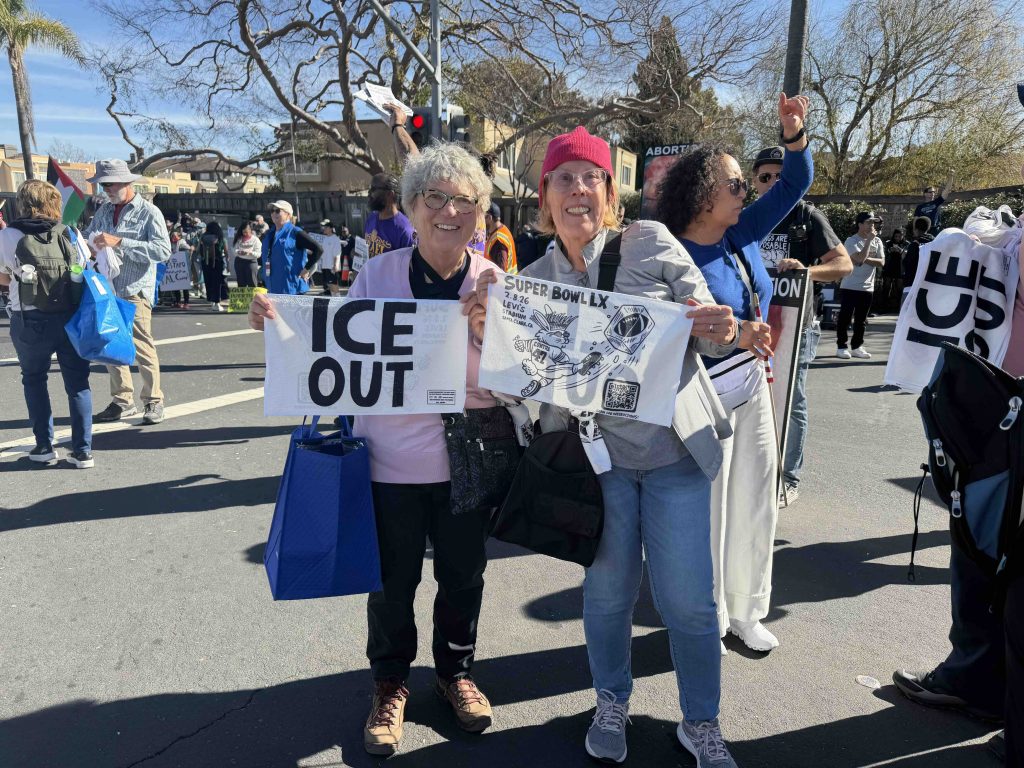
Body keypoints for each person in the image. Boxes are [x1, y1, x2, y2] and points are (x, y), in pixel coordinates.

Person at [468, 125, 755, 768]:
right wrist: (491, 336)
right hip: (598, 467)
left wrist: (720, 326)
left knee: (687, 600)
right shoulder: (531, 279)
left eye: (590, 177)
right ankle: (611, 701)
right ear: (543, 197)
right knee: (607, 594)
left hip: (675, 455)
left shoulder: (648, 242)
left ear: (610, 193)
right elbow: (522, 391)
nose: (577, 190)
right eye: (562, 178)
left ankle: (701, 720)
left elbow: (708, 328)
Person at [249, 143, 503, 756]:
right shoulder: (378, 275)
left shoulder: (495, 283)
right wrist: (280, 323)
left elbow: (517, 383)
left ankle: (455, 672)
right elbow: (336, 349)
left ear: (480, 214)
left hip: (469, 460)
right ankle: (390, 684)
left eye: (463, 201)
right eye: (433, 198)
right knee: (391, 583)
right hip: (389, 461)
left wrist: (487, 334)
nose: (448, 211)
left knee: (464, 576)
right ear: (412, 209)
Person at [654, 96, 809, 662]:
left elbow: (795, 183)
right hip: (702, 394)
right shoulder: (667, 249)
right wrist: (730, 334)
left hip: (755, 388)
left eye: (746, 183)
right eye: (736, 183)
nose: (747, 191)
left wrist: (794, 134)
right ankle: (710, 614)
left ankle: (747, 611)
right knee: (712, 510)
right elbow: (663, 329)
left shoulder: (742, 231)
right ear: (701, 193)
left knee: (755, 499)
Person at [750, 145, 852, 505]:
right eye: (766, 177)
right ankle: (755, 472)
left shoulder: (808, 216)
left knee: (791, 401)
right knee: (747, 395)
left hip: (797, 325)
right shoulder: (746, 216)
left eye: (782, 176)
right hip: (753, 323)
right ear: (754, 182)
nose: (775, 183)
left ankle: (787, 478)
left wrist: (807, 272)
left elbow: (843, 264)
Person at [0, 180, 94, 468]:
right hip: (70, 317)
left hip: (29, 319)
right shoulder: (70, 231)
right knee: (78, 383)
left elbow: (3, 278)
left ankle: (44, 446)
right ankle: (82, 451)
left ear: (23, 204)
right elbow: (85, 267)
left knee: (34, 380)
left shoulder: (10, 235)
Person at [85, 159, 171, 425]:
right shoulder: (104, 210)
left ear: (127, 182)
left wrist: (120, 242)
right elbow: (90, 235)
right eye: (103, 184)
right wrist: (87, 245)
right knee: (111, 344)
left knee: (142, 345)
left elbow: (162, 251)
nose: (106, 189)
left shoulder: (149, 212)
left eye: (109, 184)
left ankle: (154, 400)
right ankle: (123, 401)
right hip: (107, 288)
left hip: (135, 289)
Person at [836, 211, 885, 359]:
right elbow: (858, 260)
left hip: (867, 287)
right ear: (860, 224)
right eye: (869, 222)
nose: (872, 225)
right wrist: (868, 243)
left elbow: (881, 262)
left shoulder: (878, 241)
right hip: (849, 286)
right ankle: (841, 347)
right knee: (845, 318)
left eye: (873, 222)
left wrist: (864, 257)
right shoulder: (851, 241)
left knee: (861, 320)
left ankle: (857, 346)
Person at [259, 200, 323, 295]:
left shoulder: (295, 232)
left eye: (278, 211)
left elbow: (318, 250)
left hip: (292, 288)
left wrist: (306, 270)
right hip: (273, 287)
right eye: (272, 211)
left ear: (288, 214)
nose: (273, 213)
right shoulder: (269, 234)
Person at [365, 173, 415, 257]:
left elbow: (408, 266)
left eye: (373, 189)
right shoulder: (371, 218)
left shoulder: (405, 231)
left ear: (390, 195)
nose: (369, 193)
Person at [900, 216, 934, 306]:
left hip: (911, 285)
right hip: (929, 286)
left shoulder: (914, 245)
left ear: (915, 229)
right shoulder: (935, 243)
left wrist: (903, 257)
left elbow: (908, 265)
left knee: (905, 317)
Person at [199, 221, 229, 312]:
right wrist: (227, 264)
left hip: (206, 262)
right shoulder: (220, 238)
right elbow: (226, 251)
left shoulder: (203, 237)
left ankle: (211, 301)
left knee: (209, 282)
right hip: (217, 262)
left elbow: (198, 250)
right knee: (217, 283)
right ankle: (217, 303)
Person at [484, 202, 517, 274]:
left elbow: (500, 272)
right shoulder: (503, 229)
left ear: (489, 218)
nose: (482, 221)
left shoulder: (498, 240)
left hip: (501, 284)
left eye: (483, 217)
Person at [881, 228, 908, 311]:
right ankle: (883, 307)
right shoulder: (889, 243)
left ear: (903, 236)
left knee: (900, 288)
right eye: (896, 236)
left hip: (900, 268)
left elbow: (907, 255)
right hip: (889, 267)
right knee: (886, 287)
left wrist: (901, 251)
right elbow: (884, 253)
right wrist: (890, 250)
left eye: (900, 236)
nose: (898, 238)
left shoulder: (906, 244)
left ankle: (900, 307)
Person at [316, 219, 343, 296]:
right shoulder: (325, 239)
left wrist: (335, 265)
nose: (324, 229)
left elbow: (337, 254)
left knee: (333, 284)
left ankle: (339, 300)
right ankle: (334, 301)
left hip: (332, 266)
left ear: (331, 228)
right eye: (323, 227)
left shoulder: (335, 239)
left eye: (326, 227)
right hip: (325, 265)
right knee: (329, 284)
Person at [232, 221, 261, 288]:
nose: (245, 234)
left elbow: (258, 254)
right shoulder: (239, 239)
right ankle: (242, 298)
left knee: (252, 283)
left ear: (251, 230)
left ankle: (253, 298)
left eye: (246, 232)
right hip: (239, 262)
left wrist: (250, 252)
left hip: (251, 263)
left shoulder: (255, 240)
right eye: (243, 232)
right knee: (241, 283)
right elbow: (234, 249)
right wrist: (238, 252)